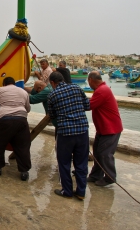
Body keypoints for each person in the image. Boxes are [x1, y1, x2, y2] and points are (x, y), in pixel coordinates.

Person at [47, 71, 90, 200]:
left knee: (64, 163)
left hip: (65, 133)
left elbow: (52, 115)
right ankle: (81, 192)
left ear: (52, 83)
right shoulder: (77, 88)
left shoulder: (52, 95)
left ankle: (67, 191)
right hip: (82, 131)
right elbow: (87, 105)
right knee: (81, 163)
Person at [0, 77, 31, 181]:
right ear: (14, 83)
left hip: (4, 119)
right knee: (23, 146)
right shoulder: (23, 92)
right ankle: (24, 171)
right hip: (21, 120)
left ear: (4, 84)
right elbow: (28, 109)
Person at [87, 71, 123, 186]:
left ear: (90, 80)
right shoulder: (102, 89)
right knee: (97, 152)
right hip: (103, 128)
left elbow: (89, 105)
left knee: (105, 154)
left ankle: (110, 177)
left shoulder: (102, 91)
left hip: (110, 129)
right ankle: (95, 175)